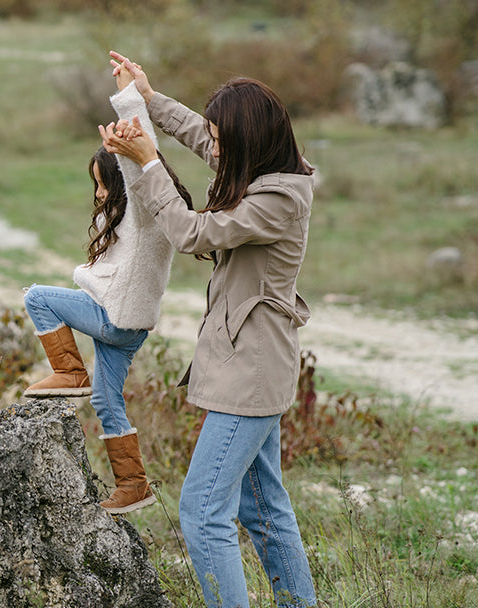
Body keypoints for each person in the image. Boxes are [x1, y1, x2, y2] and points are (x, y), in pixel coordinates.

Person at [99, 51, 318, 608]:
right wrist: (148, 99)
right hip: (246, 362)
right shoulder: (263, 166)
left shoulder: (278, 199)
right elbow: (202, 134)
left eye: (223, 140)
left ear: (247, 140)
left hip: (251, 368)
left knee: (201, 511)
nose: (212, 148)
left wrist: (150, 165)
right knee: (263, 506)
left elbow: (193, 233)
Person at [23, 75, 204, 514]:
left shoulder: (143, 214)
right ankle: (133, 485)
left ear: (126, 184)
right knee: (107, 401)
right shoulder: (148, 216)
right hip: (131, 329)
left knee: (38, 298)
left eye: (103, 184)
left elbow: (142, 163)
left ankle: (69, 373)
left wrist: (129, 104)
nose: (99, 194)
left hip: (112, 316)